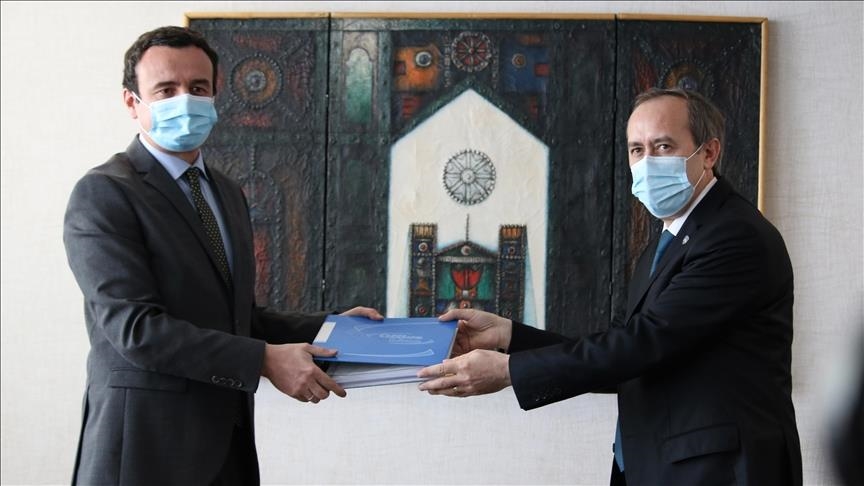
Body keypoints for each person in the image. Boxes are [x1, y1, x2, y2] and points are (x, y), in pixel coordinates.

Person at [418, 87, 803, 485]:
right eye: (637, 149)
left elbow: (643, 343)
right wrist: (509, 336)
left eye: (664, 146)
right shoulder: (668, 240)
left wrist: (509, 371)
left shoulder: (734, 235)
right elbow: (620, 353)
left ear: (709, 153)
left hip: (719, 473)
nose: (647, 162)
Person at [63, 26, 381, 485]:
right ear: (132, 102)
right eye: (166, 90)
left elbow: (237, 319)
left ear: (215, 94)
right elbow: (135, 330)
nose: (185, 100)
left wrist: (334, 328)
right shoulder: (104, 193)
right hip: (143, 451)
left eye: (198, 88)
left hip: (227, 449)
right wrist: (264, 360)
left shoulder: (227, 192)